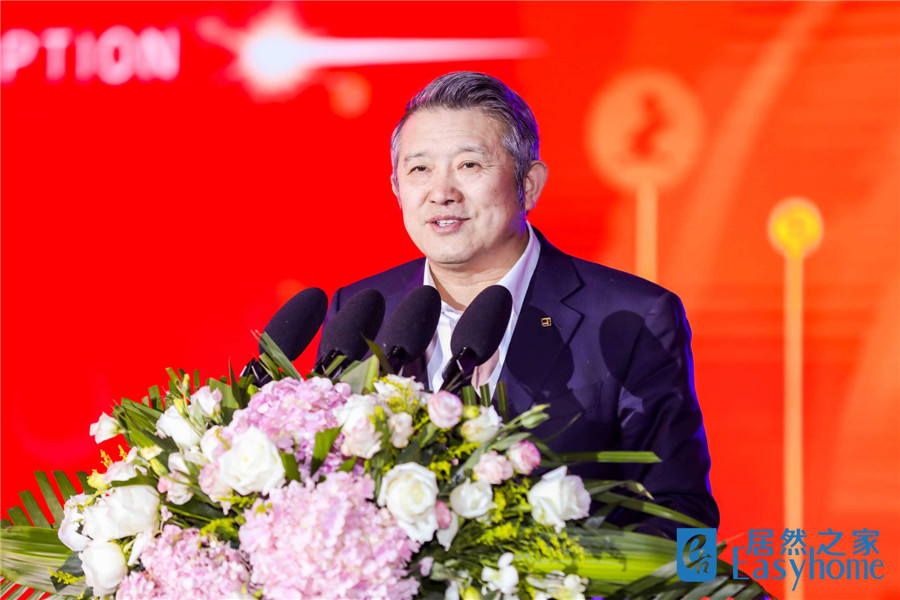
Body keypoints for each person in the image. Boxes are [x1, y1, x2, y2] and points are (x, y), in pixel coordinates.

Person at [323, 71, 718, 536]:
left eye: (469, 165)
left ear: (528, 184)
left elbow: (689, 521)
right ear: (395, 187)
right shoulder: (361, 312)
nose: (441, 192)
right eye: (419, 169)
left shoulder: (632, 318)